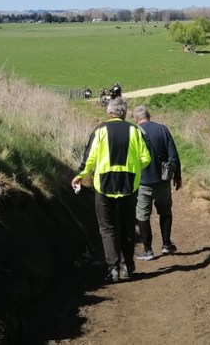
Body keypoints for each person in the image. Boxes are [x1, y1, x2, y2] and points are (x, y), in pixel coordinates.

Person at [72, 97, 151, 283]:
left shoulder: (100, 131)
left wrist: (80, 175)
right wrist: (134, 169)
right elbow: (146, 158)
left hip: (104, 184)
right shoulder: (134, 131)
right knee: (127, 226)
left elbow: (89, 158)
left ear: (109, 112)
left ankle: (113, 268)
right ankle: (128, 266)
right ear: (124, 113)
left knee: (107, 227)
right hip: (129, 184)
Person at [132, 105, 182, 260]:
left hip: (142, 182)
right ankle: (166, 244)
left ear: (135, 119)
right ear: (149, 116)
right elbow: (173, 156)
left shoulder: (133, 132)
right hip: (163, 180)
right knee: (165, 211)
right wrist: (178, 177)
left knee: (142, 215)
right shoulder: (162, 129)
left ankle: (148, 250)